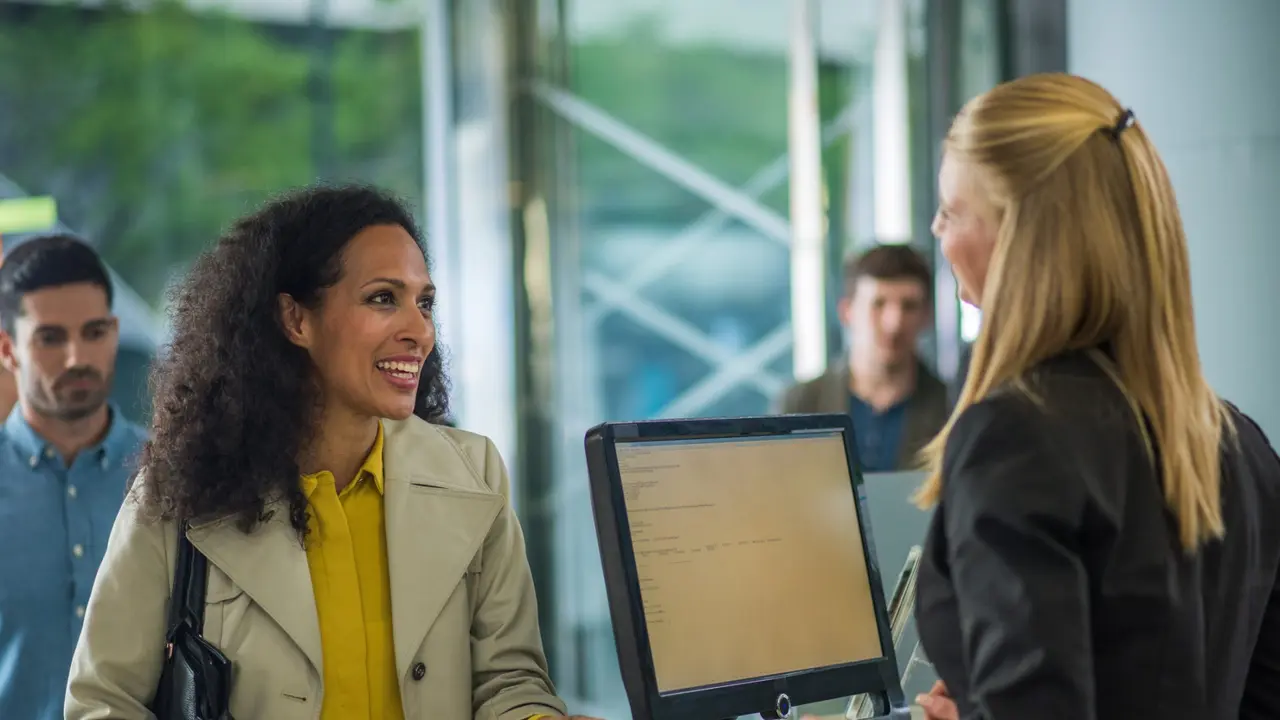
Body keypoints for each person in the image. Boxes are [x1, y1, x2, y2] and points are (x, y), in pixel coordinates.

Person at [65, 186, 600, 720]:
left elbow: (510, 681)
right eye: (383, 298)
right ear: (296, 320)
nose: (419, 331)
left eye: (425, 302)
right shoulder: (178, 492)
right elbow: (102, 703)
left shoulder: (474, 474)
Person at [909, 73, 1280, 719]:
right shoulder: (1236, 440)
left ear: (1018, 233)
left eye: (951, 210)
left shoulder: (1015, 437)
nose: (938, 231)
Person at [0, 234, 147, 720]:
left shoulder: (174, 473)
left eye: (94, 332)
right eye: (50, 337)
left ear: (115, 330)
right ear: (7, 347)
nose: (76, 358)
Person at [778, 245, 948, 472]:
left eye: (909, 306)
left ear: (927, 316)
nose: (894, 323)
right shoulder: (800, 404)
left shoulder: (951, 408)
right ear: (847, 312)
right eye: (878, 304)